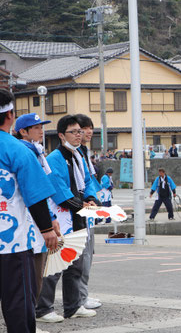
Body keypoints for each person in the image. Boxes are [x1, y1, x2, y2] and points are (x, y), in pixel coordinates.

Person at [0, 97, 59, 333]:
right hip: (12, 244)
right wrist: (47, 229)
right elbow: (35, 194)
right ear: (10, 116)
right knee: (18, 305)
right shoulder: (18, 149)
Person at [37, 114, 99, 322]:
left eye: (80, 131)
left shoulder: (78, 155)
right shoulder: (54, 158)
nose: (79, 135)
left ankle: (73, 306)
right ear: (62, 135)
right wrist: (82, 205)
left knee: (76, 264)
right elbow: (58, 190)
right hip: (64, 216)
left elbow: (88, 181)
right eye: (74, 132)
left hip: (78, 215)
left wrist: (90, 198)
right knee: (55, 266)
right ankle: (43, 309)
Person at [74, 115, 103, 312]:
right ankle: (79, 298)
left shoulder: (84, 151)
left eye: (90, 128)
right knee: (81, 257)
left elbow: (89, 180)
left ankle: (82, 295)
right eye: (84, 128)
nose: (88, 132)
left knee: (88, 254)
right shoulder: (75, 153)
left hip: (89, 206)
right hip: (79, 210)